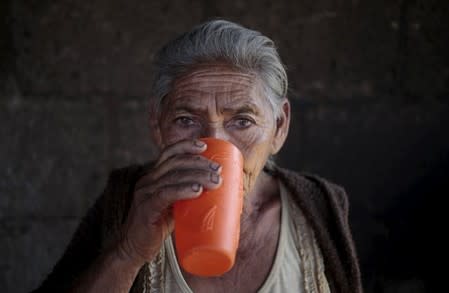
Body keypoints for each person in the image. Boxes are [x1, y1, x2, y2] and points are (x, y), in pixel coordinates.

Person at [33, 19, 362, 293]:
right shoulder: (128, 201)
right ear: (157, 126)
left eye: (242, 121)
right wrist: (128, 252)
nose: (213, 145)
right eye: (186, 120)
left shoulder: (321, 208)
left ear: (279, 126)